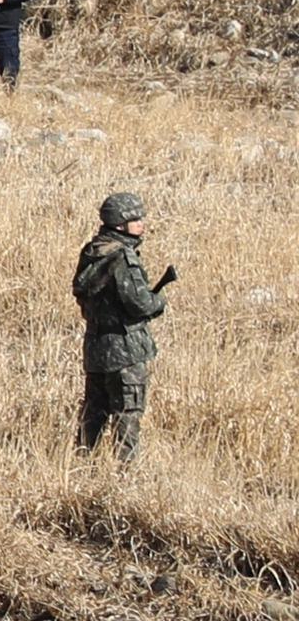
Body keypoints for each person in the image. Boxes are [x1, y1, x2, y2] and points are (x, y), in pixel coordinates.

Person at [74, 190, 174, 462]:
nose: (141, 223)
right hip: (125, 350)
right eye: (135, 218)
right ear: (120, 224)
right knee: (127, 412)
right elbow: (139, 304)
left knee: (94, 411)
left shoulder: (92, 251)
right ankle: (124, 475)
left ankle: (81, 465)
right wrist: (158, 302)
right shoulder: (123, 258)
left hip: (96, 346)